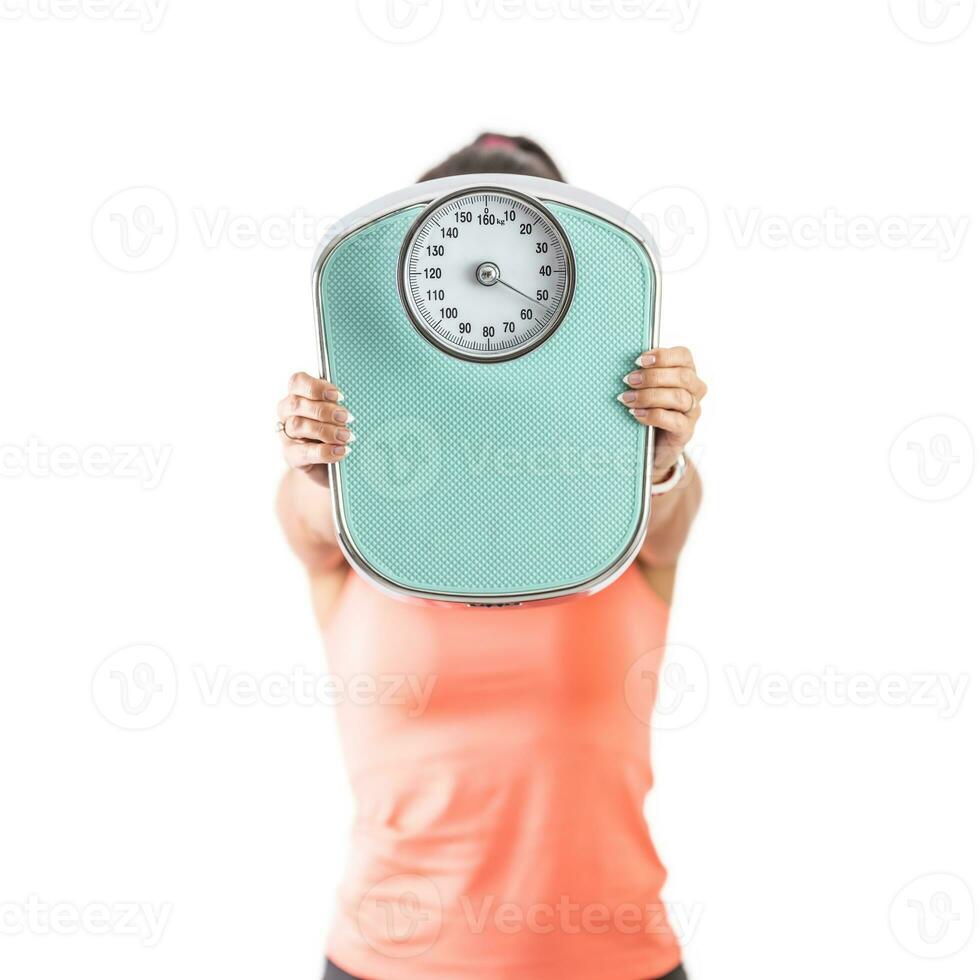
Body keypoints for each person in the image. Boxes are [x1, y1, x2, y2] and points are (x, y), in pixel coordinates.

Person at [277, 133, 708, 980]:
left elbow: (670, 508)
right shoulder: (354, 520)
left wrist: (657, 456)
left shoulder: (627, 516)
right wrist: (319, 462)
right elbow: (311, 516)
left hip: (620, 962)